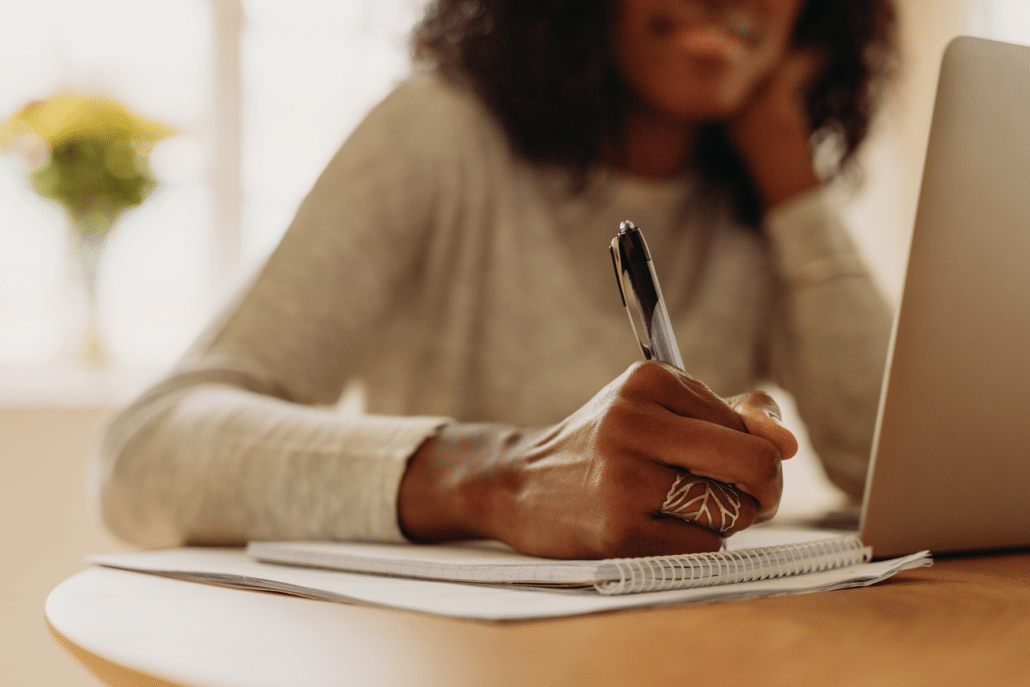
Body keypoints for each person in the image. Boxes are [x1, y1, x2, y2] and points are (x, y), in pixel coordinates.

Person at [95, 0, 897, 559]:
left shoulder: (762, 199)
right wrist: (499, 475)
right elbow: (147, 454)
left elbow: (902, 476)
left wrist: (791, 177)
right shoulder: (437, 135)